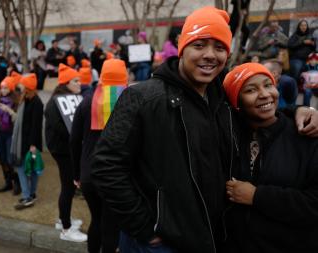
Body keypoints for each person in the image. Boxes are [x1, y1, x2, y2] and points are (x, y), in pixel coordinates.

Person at [91, 6, 318, 253]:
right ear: (182, 47)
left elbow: (258, 110)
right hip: (159, 243)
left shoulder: (221, 100)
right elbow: (106, 166)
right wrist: (145, 227)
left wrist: (298, 111)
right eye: (199, 45)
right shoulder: (143, 98)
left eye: (219, 48)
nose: (210, 55)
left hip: (210, 237)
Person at [223, 62, 318, 253]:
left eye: (268, 85)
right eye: (251, 90)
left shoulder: (307, 134)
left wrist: (257, 196)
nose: (265, 94)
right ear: (237, 103)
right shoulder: (229, 135)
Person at [71, 59, 127, 253]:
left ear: (101, 77)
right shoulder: (129, 101)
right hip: (115, 177)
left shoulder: (86, 102)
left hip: (89, 174)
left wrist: (76, 174)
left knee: (96, 220)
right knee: (111, 225)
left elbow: (74, 140)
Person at [44, 63, 87, 242]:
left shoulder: (70, 98)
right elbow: (62, 129)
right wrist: (78, 137)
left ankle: (64, 219)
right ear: (66, 83)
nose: (80, 83)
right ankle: (66, 229)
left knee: (68, 186)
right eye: (75, 80)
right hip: (62, 151)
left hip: (67, 149)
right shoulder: (55, 103)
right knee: (68, 186)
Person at [11, 73, 43, 210]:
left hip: (29, 143)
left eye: (22, 84)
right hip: (23, 142)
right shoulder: (26, 99)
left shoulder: (36, 102)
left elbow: (36, 126)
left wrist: (33, 145)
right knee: (29, 169)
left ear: (27, 87)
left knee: (24, 168)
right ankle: (31, 193)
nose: (20, 86)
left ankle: (27, 196)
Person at [0, 76, 19, 194]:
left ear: (11, 88)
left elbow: (17, 120)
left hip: (10, 133)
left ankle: (17, 182)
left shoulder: (16, 101)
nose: (3, 90)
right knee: (2, 159)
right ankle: (7, 182)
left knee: (10, 159)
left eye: (6, 88)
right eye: (2, 88)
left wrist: (9, 110)